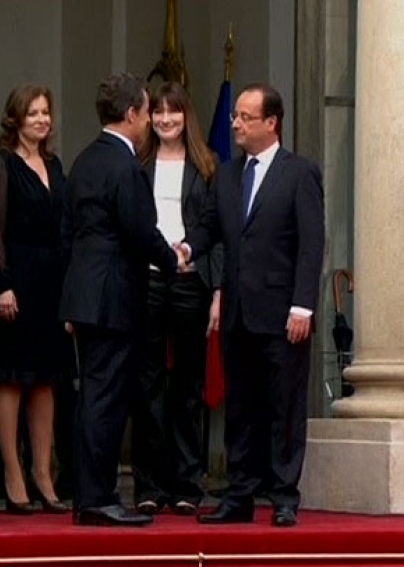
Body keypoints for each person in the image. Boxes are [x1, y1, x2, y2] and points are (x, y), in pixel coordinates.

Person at [179, 83, 325, 528]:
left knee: (283, 407)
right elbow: (211, 229)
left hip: (283, 314)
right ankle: (239, 496)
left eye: (245, 117)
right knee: (240, 407)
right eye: (236, 116)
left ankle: (283, 495)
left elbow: (310, 245)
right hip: (239, 313)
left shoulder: (300, 174)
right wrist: (187, 248)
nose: (235, 124)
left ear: (271, 122)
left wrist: (303, 306)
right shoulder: (227, 174)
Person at [59, 73, 179, 527]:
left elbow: (67, 234)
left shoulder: (84, 160)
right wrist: (173, 261)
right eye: (147, 112)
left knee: (93, 394)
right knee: (106, 399)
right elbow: (139, 229)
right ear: (131, 114)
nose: (149, 121)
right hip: (113, 296)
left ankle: (88, 493)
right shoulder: (125, 166)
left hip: (86, 295)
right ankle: (97, 497)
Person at [0, 84, 70, 514]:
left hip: (52, 284)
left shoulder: (55, 164)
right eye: (33, 113)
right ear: (16, 118)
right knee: (10, 377)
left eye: (46, 112)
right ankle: (13, 472)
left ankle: (42, 472)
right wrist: (3, 284)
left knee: (46, 380)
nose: (41, 120)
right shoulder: (2, 166)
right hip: (14, 282)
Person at [131, 81, 220, 516]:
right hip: (146, 281)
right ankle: (147, 484)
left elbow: (213, 227)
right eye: (158, 112)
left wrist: (193, 257)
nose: (166, 119)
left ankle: (186, 482)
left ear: (187, 116)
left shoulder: (207, 166)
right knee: (146, 384)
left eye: (174, 112)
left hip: (189, 282)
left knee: (188, 385)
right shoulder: (137, 163)